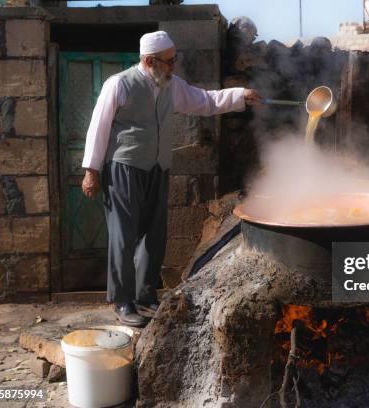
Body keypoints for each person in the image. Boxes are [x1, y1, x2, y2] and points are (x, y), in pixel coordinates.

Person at [80, 31, 262, 327]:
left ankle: (146, 295)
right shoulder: (119, 84)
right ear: (150, 61)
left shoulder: (171, 85)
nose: (174, 66)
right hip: (124, 167)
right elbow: (98, 127)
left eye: (174, 60)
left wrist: (240, 95)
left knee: (154, 234)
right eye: (169, 61)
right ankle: (123, 300)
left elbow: (204, 101)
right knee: (123, 235)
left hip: (157, 167)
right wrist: (91, 171)